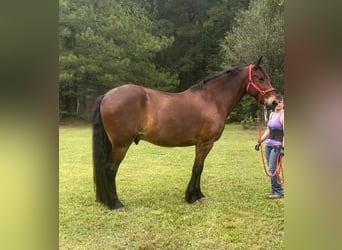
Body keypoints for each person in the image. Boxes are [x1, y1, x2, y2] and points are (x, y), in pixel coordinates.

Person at [258, 94, 284, 199]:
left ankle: (279, 191)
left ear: (283, 104)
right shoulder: (272, 114)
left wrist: (283, 147)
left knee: (273, 168)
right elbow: (268, 130)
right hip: (268, 144)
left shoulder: (283, 115)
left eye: (280, 102)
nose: (278, 104)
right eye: (276, 102)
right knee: (271, 168)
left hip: (277, 146)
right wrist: (260, 141)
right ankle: (274, 189)